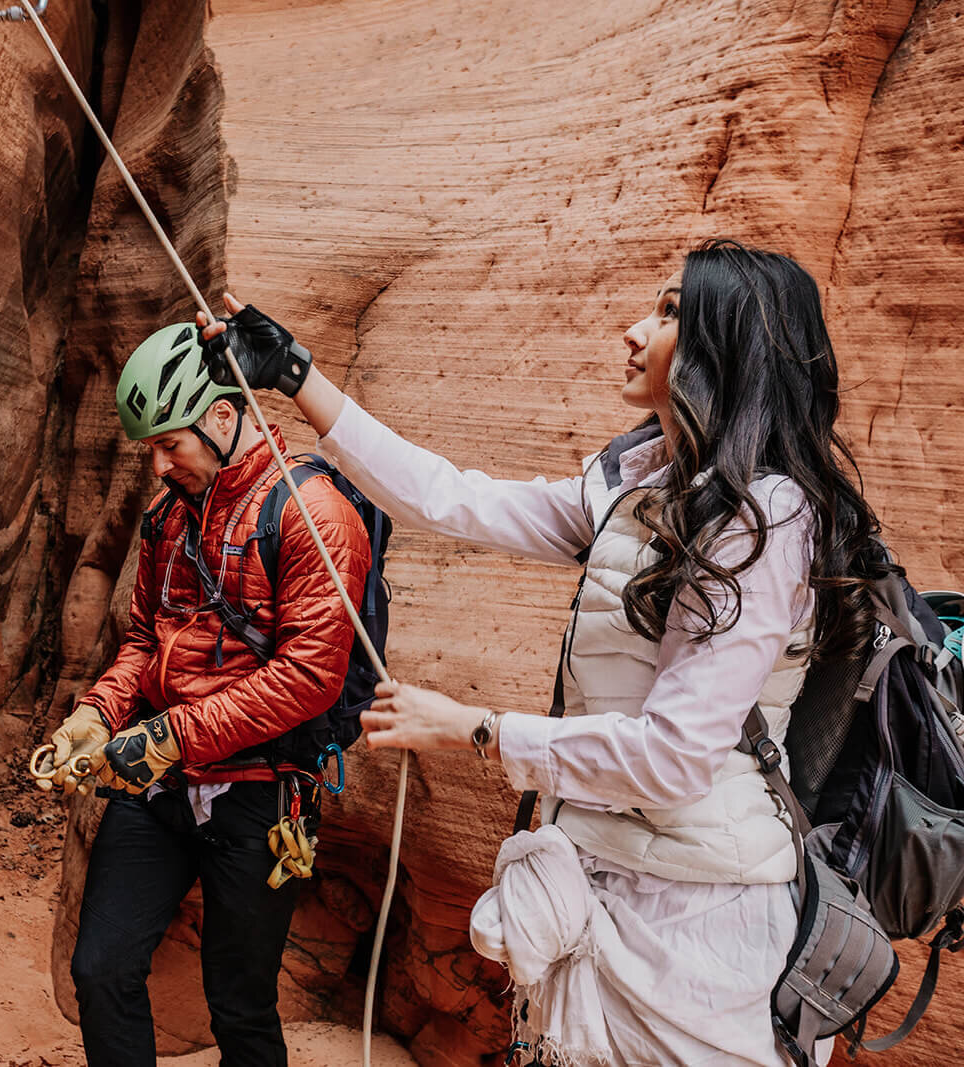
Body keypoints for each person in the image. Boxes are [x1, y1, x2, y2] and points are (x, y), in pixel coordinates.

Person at [198, 239, 892, 1066]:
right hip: (613, 888)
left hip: (701, 926)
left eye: (671, 313)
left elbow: (673, 757)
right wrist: (297, 376)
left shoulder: (763, 516)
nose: (635, 330)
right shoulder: (641, 489)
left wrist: (476, 727)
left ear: (727, 346)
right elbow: (454, 497)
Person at [35, 321, 371, 1066]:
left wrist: (171, 736)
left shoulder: (315, 518)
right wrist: (98, 713)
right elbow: (145, 637)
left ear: (223, 417)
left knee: (241, 1006)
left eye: (168, 443)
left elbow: (309, 676)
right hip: (162, 781)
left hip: (260, 791)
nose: (157, 466)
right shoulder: (172, 516)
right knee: (100, 967)